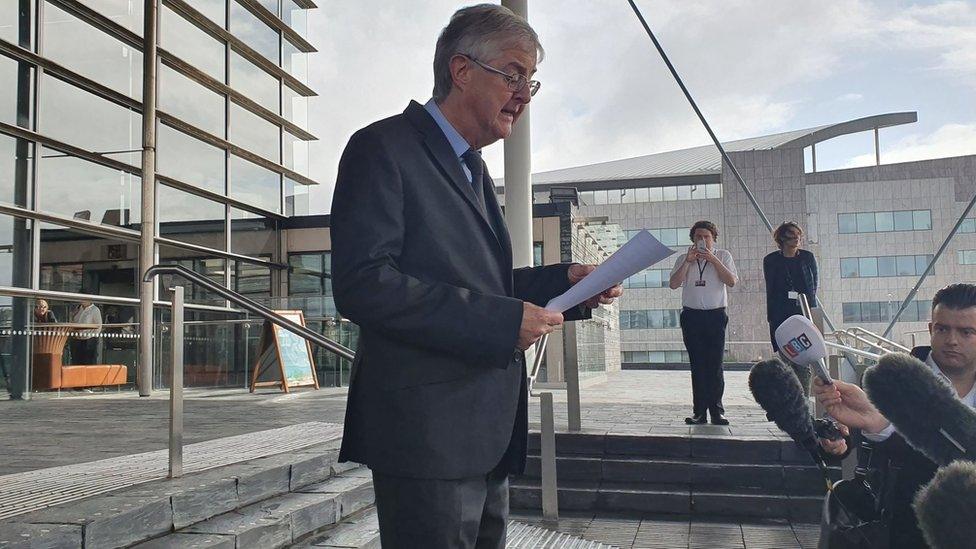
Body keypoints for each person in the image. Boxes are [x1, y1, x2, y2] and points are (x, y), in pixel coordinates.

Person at [329, 5, 622, 548]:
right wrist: (499, 322)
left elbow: (484, 284)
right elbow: (363, 283)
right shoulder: (382, 148)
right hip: (425, 437)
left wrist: (570, 283)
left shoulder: (472, 166)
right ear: (462, 71)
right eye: (512, 74)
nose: (525, 93)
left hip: (485, 434)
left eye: (531, 80)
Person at [813, 283, 976, 549]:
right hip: (902, 526)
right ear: (930, 329)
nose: (952, 340)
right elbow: (854, 442)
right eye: (943, 328)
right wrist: (845, 439)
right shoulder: (891, 381)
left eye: (966, 331)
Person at [669, 220, 738, 425]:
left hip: (715, 315)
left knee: (715, 364)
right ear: (693, 239)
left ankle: (717, 411)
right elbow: (674, 284)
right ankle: (699, 412)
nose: (702, 240)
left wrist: (714, 260)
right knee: (697, 365)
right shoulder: (684, 258)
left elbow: (731, 281)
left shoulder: (723, 256)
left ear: (713, 239)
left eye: (706, 236)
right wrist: (688, 262)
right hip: (692, 316)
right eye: (698, 236)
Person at [763, 221, 818, 393]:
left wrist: (811, 311)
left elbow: (813, 285)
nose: (796, 239)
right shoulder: (771, 260)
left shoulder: (807, 258)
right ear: (782, 238)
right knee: (786, 359)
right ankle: (791, 399)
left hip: (802, 314)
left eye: (798, 236)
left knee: (802, 360)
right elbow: (771, 289)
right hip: (780, 315)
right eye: (791, 236)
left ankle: (803, 401)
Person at [69, 299, 102, 365]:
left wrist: (91, 336)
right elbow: (73, 323)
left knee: (88, 362)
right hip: (77, 339)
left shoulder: (95, 310)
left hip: (89, 340)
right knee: (77, 362)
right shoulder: (78, 309)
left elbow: (98, 326)